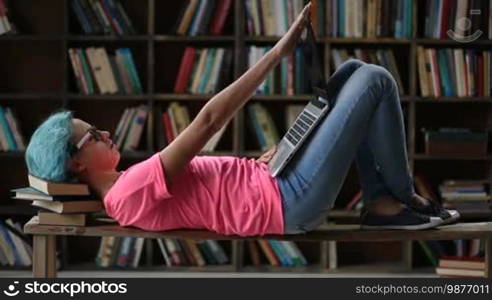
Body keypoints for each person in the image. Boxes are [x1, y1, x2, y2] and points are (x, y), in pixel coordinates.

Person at [25, 3, 459, 237]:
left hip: (275, 180)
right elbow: (209, 121)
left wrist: (261, 162)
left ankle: (384, 205)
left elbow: (210, 190)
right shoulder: (126, 193)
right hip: (287, 201)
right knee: (375, 79)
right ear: (77, 164)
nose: (104, 133)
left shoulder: (130, 182)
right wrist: (276, 54)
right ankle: (404, 199)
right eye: (92, 136)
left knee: (349, 76)